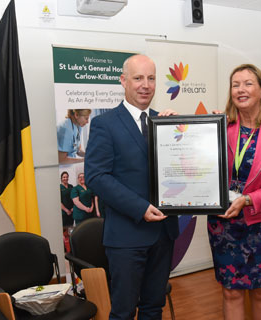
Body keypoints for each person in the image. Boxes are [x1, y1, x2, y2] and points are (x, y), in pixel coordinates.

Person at [84, 54, 179, 320]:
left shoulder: (166, 122)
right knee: (124, 312)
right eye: (138, 78)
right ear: (124, 81)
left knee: (152, 308)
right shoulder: (105, 124)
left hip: (163, 233)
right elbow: (96, 176)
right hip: (126, 236)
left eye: (151, 78)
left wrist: (179, 130)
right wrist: (140, 208)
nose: (145, 85)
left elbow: (181, 167)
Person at [207, 64, 261, 320]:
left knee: (260, 292)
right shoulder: (219, 127)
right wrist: (171, 123)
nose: (241, 89)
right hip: (223, 223)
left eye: (248, 83)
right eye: (235, 84)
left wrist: (247, 200)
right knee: (230, 292)